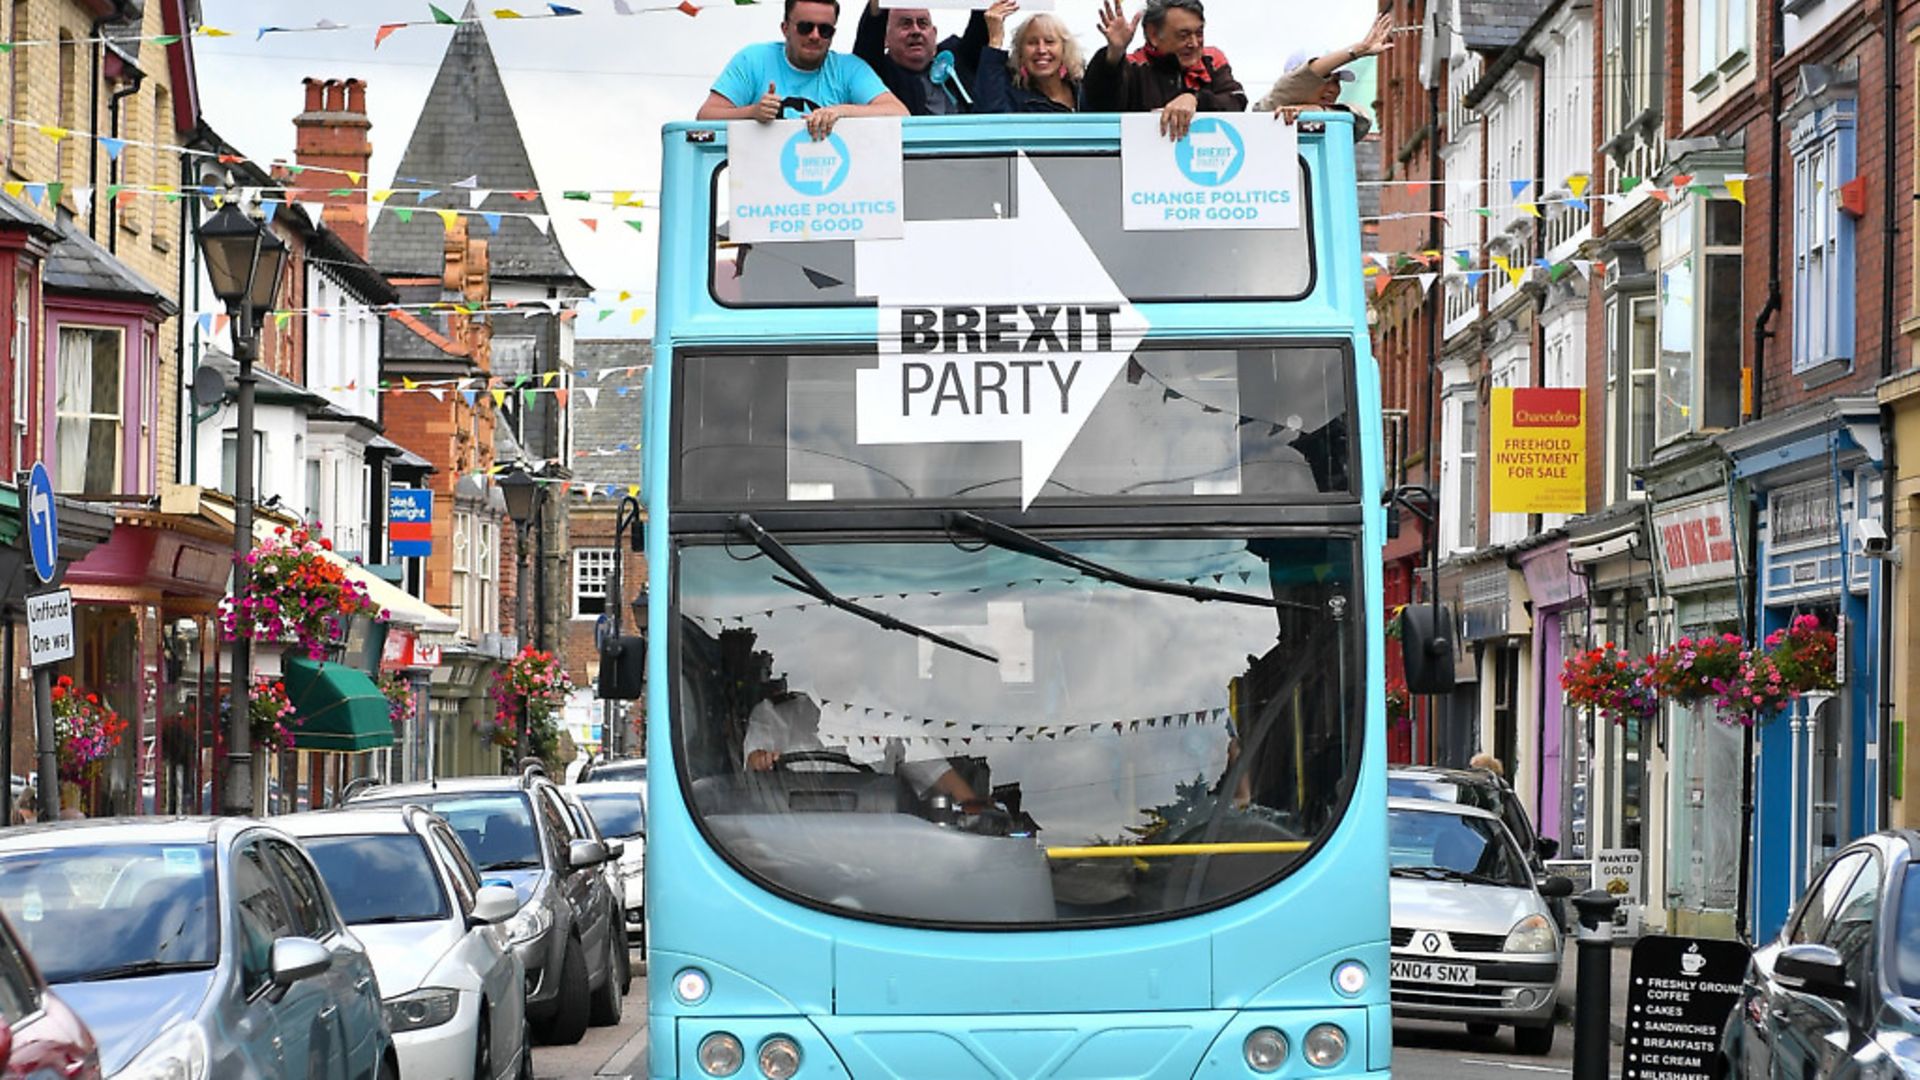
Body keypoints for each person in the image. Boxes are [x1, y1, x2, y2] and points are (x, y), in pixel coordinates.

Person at [699, 0, 908, 140]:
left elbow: (900, 114)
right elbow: (705, 117)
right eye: (805, 27)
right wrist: (753, 113)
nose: (815, 36)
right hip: (762, 196)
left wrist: (840, 111)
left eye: (825, 30)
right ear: (785, 28)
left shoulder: (850, 68)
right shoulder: (752, 59)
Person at [744, 678, 976, 802]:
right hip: (790, 841)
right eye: (826, 645)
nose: (834, 657)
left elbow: (941, 776)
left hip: (873, 848)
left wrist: (977, 810)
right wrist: (762, 761)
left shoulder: (890, 718)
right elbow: (754, 762)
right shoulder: (775, 714)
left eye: (845, 648)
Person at [1082, 0, 1246, 140]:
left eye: (1199, 33)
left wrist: (1195, 100)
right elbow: (1097, 107)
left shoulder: (1212, 60)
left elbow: (1236, 101)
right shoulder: (1133, 68)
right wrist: (1114, 54)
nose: (1194, 43)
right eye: (1184, 35)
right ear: (1153, 34)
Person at [1257, 12, 1392, 135]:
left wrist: (1310, 110)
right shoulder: (1265, 111)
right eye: (1325, 80)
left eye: (1336, 81)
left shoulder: (1337, 121)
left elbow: (1361, 118)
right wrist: (1355, 51)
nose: (1333, 90)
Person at [854, 0, 989, 116]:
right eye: (905, 24)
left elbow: (981, 27)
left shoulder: (957, 58)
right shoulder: (875, 74)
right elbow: (870, 32)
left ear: (934, 33)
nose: (916, 31)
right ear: (885, 38)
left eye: (922, 23)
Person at [976, 3, 1084, 114]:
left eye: (1049, 42)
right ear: (1020, 53)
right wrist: (995, 40)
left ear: (1064, 49)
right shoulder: (1015, 100)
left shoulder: (1085, 91)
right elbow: (990, 119)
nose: (1041, 50)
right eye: (1032, 43)